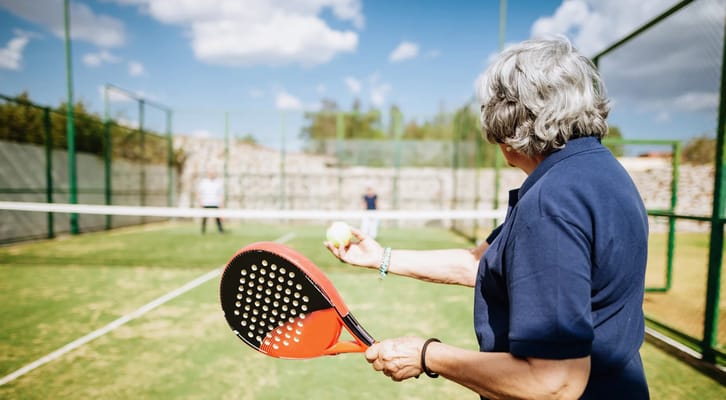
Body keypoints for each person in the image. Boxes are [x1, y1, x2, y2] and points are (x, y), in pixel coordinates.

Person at [324, 37, 649, 399]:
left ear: (508, 121)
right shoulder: (603, 174)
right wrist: (381, 257)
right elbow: (481, 264)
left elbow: (554, 383)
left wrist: (427, 355)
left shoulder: (551, 202)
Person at [197, 169, 224, 234]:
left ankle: (221, 230)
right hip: (206, 202)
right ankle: (203, 231)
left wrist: (221, 202)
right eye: (210, 173)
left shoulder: (218, 182)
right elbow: (199, 193)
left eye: (213, 173)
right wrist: (200, 201)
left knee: (217, 218)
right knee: (204, 218)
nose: (212, 175)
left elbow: (221, 194)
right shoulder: (204, 182)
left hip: (215, 203)